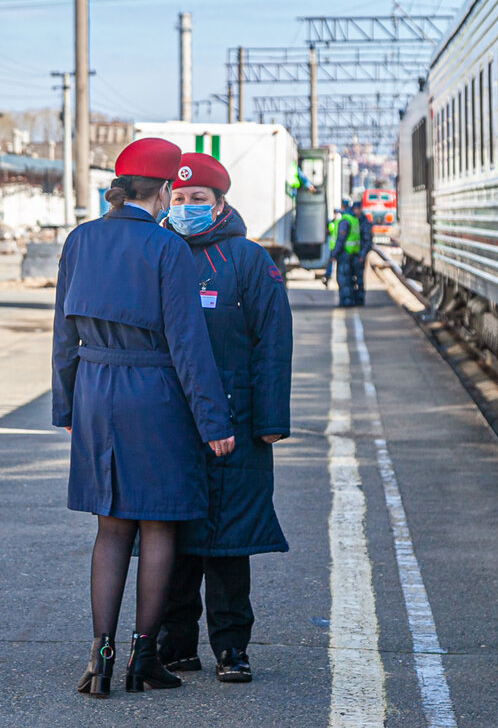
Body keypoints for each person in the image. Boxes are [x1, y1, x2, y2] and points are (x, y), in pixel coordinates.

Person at [51, 137, 235, 698]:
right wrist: (214, 422)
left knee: (110, 526)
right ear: (160, 191)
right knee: (157, 525)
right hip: (152, 392)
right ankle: (143, 658)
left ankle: (99, 659)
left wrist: (66, 406)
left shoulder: (79, 239)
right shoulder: (166, 248)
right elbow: (187, 344)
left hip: (95, 389)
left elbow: (64, 334)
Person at [158, 152, 292, 684]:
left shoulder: (248, 260)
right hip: (170, 421)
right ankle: (176, 643)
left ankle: (231, 647)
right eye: (179, 198)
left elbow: (272, 345)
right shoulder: (158, 253)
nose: (187, 207)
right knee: (175, 538)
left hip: (237, 422)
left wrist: (269, 420)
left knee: (229, 542)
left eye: (199, 200)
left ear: (221, 204)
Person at [328, 200, 361, 307]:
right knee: (350, 278)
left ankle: (346, 302)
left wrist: (334, 253)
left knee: (343, 279)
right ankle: (351, 300)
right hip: (353, 252)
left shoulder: (345, 220)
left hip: (344, 253)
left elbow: (340, 239)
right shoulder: (354, 219)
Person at [351, 200, 374, 307]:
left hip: (360, 255)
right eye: (354, 209)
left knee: (359, 278)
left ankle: (359, 300)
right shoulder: (352, 220)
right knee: (351, 278)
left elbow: (367, 241)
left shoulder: (365, 222)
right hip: (352, 254)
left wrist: (362, 255)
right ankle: (352, 299)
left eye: (357, 209)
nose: (355, 211)